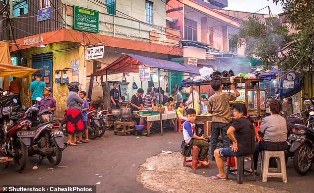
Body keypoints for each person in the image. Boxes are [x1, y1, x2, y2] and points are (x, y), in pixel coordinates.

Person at [211, 103, 255, 180]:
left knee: (216, 152)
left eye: (235, 111)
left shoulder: (238, 121)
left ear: (241, 113)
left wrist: (235, 142)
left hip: (241, 150)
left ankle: (222, 174)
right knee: (230, 148)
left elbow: (229, 132)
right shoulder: (249, 121)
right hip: (251, 149)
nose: (233, 113)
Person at [208, 77, 240, 160]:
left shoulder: (211, 98)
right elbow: (237, 94)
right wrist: (233, 87)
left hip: (215, 121)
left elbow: (209, 111)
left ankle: (213, 156)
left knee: (213, 139)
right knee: (225, 139)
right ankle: (226, 157)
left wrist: (215, 113)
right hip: (225, 121)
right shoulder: (226, 95)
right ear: (221, 86)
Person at [253, 99, 288, 170]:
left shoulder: (266, 119)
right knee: (270, 142)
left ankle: (255, 169)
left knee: (255, 147)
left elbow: (261, 132)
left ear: (270, 109)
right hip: (283, 145)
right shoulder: (283, 119)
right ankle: (274, 167)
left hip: (269, 145)